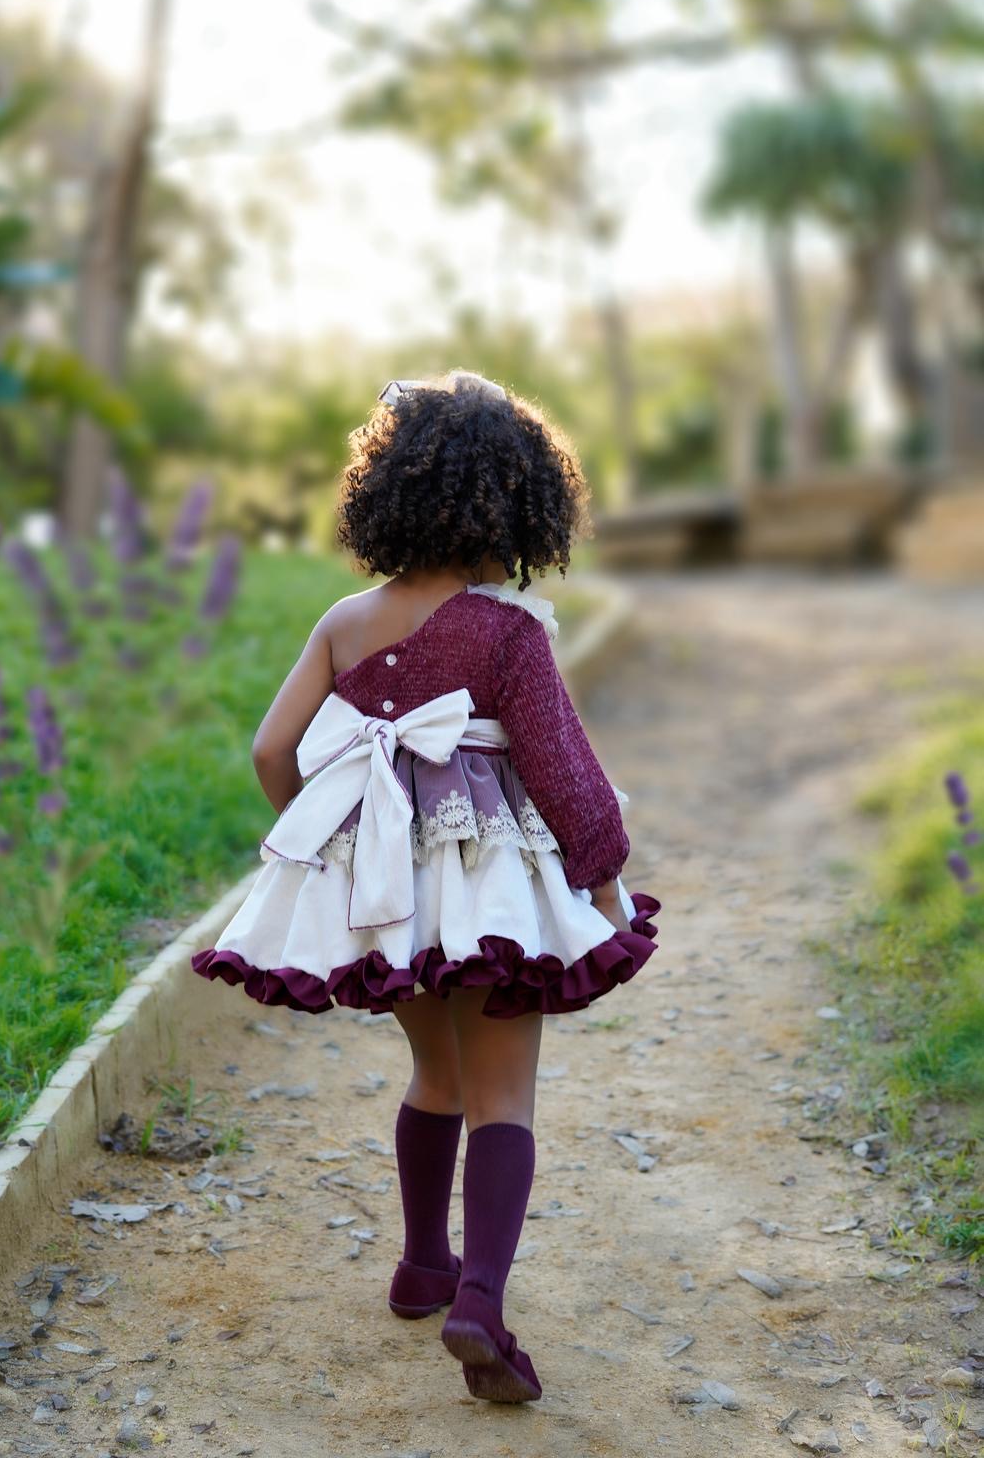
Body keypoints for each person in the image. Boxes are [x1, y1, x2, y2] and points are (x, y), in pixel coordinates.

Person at [192, 369, 660, 1404]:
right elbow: (569, 781)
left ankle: (419, 1265)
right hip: (489, 897)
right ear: (511, 503)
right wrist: (607, 884)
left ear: (391, 494)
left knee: (433, 1074)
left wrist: (334, 845)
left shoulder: (344, 620)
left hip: (388, 900)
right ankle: (479, 1301)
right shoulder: (508, 631)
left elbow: (274, 750)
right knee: (502, 1090)